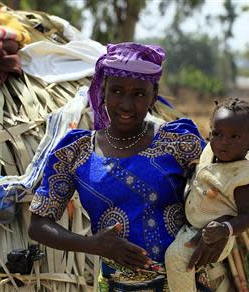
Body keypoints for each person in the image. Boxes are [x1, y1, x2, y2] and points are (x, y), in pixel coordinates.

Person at [28, 42, 228, 291]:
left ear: (153, 97)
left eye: (139, 94)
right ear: (103, 92)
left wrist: (223, 229)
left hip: (183, 283)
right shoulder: (76, 152)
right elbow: (37, 226)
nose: (126, 104)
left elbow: (225, 185)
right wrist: (93, 245)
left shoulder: (177, 141)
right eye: (117, 91)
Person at [165, 98, 249, 291]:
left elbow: (248, 217)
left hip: (215, 235)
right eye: (217, 133)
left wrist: (224, 229)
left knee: (176, 257)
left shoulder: (243, 178)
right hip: (193, 224)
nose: (223, 142)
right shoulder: (211, 153)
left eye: (234, 137)